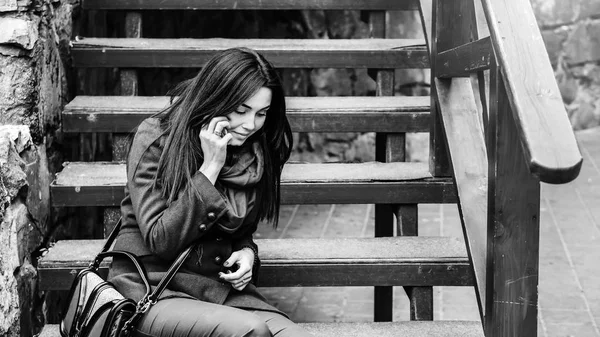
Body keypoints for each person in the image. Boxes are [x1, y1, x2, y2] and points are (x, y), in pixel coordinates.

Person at [108, 47, 313, 337]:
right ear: (216, 98)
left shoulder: (254, 154)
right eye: (241, 110)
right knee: (250, 331)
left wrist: (248, 254)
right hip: (153, 288)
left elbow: (241, 233)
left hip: (218, 292)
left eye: (261, 113)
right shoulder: (156, 138)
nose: (250, 125)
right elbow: (161, 239)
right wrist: (210, 167)